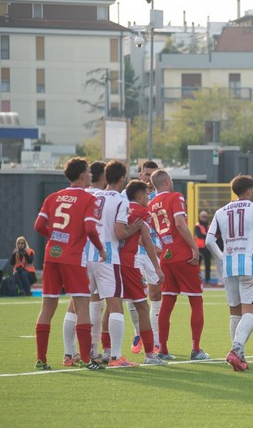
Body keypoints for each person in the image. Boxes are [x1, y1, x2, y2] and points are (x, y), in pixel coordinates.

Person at [33, 157, 106, 371]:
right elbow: (91, 229)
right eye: (89, 173)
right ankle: (85, 359)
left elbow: (39, 225)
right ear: (83, 175)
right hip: (72, 257)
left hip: (51, 256)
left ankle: (41, 359)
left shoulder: (53, 197)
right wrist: (101, 249)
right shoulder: (88, 199)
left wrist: (55, 238)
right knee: (82, 305)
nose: (91, 177)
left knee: (47, 307)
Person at [206, 174, 253, 371]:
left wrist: (223, 258)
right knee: (251, 311)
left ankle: (240, 356)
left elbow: (209, 241)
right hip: (250, 265)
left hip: (229, 268)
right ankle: (236, 349)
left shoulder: (221, 211)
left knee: (235, 311)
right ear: (248, 190)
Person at [148, 169, 209, 361]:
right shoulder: (176, 197)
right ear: (166, 181)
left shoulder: (150, 204)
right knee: (196, 300)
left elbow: (145, 234)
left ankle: (163, 349)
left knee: (167, 303)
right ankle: (196, 349)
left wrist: (158, 250)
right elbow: (180, 223)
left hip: (166, 255)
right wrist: (194, 247)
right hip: (183, 255)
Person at [88, 160, 144, 367]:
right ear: (122, 178)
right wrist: (132, 230)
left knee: (88, 304)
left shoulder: (94, 195)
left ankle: (88, 352)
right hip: (108, 257)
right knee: (114, 305)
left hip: (88, 255)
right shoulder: (122, 201)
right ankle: (115, 357)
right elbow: (120, 233)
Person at [121, 179, 167, 365]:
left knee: (110, 306)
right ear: (139, 195)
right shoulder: (141, 211)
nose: (149, 196)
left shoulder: (120, 206)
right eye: (146, 194)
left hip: (107, 260)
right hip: (131, 261)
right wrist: (158, 266)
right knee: (141, 305)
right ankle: (149, 352)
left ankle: (104, 352)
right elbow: (146, 239)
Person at [128, 160, 163, 355]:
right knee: (135, 296)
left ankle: (155, 339)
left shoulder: (159, 198)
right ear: (140, 175)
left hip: (156, 253)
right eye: (146, 174)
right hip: (135, 253)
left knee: (156, 295)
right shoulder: (132, 196)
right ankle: (138, 333)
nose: (149, 178)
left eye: (152, 174)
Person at [194, 210, 212, 285]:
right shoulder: (197, 226)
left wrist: (205, 235)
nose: (204, 218)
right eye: (203, 216)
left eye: (206, 217)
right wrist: (207, 235)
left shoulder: (210, 225)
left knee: (208, 265)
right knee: (197, 265)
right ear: (200, 217)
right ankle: (196, 280)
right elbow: (199, 235)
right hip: (200, 248)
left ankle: (207, 280)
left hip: (208, 247)